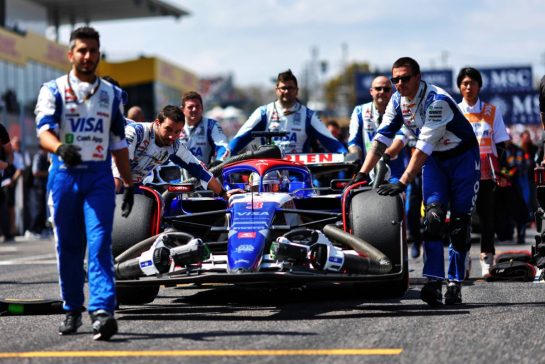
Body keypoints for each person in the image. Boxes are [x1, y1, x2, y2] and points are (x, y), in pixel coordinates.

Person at [349, 57, 480, 306]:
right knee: (432, 219)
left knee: (460, 225)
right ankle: (433, 281)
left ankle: (454, 282)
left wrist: (404, 180)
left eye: (405, 78)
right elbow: (382, 136)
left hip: (462, 158)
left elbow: (421, 149)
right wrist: (363, 173)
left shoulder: (437, 101)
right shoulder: (397, 100)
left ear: (418, 77)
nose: (399, 84)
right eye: (395, 79)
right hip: (435, 163)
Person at [34, 26, 134, 340]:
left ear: (99, 54)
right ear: (71, 54)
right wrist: (59, 147)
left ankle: (103, 310)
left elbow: (119, 142)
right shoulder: (53, 89)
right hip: (63, 175)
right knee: (69, 246)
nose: (87, 56)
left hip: (99, 177)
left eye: (93, 50)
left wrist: (129, 183)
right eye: (82, 50)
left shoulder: (112, 94)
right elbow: (43, 131)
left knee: (101, 242)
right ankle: (72, 308)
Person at [457, 67, 510, 278]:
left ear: (480, 86)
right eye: (464, 83)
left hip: (487, 175)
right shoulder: (455, 111)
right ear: (460, 87)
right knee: (462, 218)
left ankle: (487, 260)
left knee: (488, 218)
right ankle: (463, 260)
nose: (468, 87)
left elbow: (502, 143)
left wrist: (502, 172)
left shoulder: (491, 111)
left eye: (472, 83)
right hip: (462, 174)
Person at [112, 105, 233, 199]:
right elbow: (120, 166)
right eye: (168, 129)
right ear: (157, 123)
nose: (172, 136)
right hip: (108, 181)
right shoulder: (135, 132)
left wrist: (223, 194)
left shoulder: (174, 146)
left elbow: (201, 171)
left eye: (177, 132)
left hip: (134, 186)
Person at [229, 69, 347, 155]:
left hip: (298, 174)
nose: (286, 91)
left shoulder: (308, 115)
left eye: (290, 88)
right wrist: (223, 156)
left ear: (296, 91)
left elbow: (331, 141)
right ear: (276, 90)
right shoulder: (263, 113)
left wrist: (346, 155)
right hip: (269, 173)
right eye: (283, 88)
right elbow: (239, 139)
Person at [348, 75, 407, 180]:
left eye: (386, 89)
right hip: (366, 172)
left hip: (394, 173)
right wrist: (355, 159)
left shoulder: (401, 110)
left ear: (391, 92)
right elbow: (353, 142)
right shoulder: (359, 111)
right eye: (378, 88)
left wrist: (384, 156)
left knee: (394, 196)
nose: (382, 92)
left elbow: (402, 137)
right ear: (371, 91)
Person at [180, 91, 230, 166]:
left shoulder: (212, 125)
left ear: (202, 108)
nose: (194, 109)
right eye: (190, 107)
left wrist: (220, 161)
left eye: (197, 106)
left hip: (203, 174)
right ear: (182, 110)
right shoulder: (175, 125)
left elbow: (223, 146)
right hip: (177, 175)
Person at [25, 147, 49, 239]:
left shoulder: (44, 157)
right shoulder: (38, 157)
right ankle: (32, 230)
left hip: (42, 187)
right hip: (37, 187)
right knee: (37, 209)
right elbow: (35, 172)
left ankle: (40, 230)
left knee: (42, 209)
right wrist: (47, 173)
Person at [0, 123, 12, 242]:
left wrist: (6, 164)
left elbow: (10, 151)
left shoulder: (1, 129)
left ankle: (6, 233)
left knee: (3, 205)